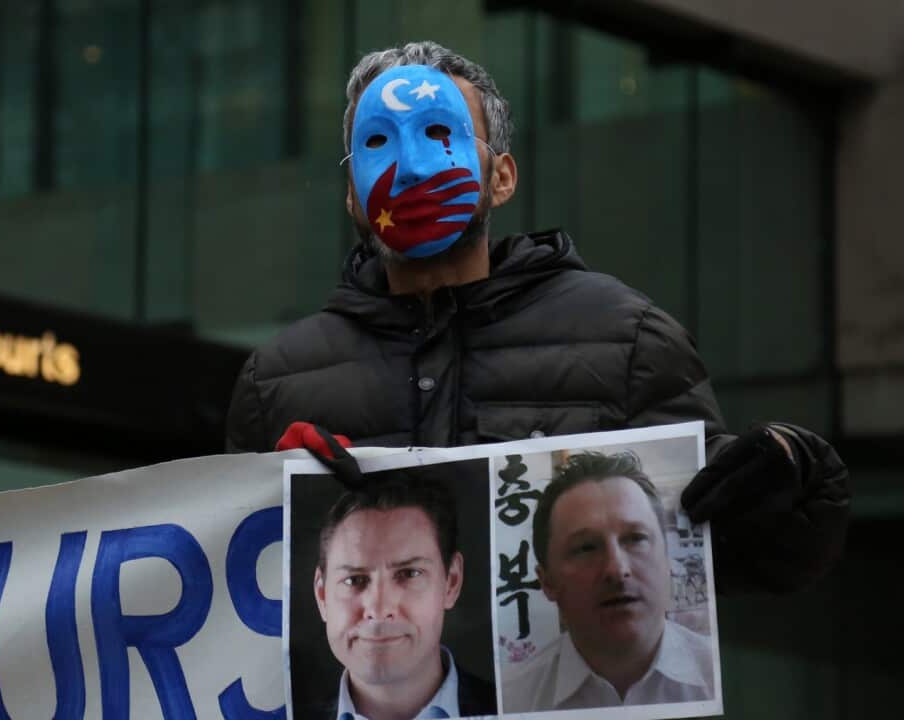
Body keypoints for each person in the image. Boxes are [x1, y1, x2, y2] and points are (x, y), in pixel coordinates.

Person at [226, 40, 849, 594]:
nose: (412, 168)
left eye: (441, 135)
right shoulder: (278, 384)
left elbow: (739, 557)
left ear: (502, 176)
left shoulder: (626, 343)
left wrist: (794, 476)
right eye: (378, 142)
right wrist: (284, 504)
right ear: (353, 196)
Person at [501, 452, 714, 712]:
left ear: (667, 559)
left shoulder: (718, 673)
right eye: (586, 548)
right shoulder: (511, 700)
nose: (617, 569)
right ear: (547, 582)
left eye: (635, 538)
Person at [313, 475, 496, 718]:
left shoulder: (523, 707)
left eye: (409, 574)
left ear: (451, 582)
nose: (378, 610)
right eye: (354, 580)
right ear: (322, 595)